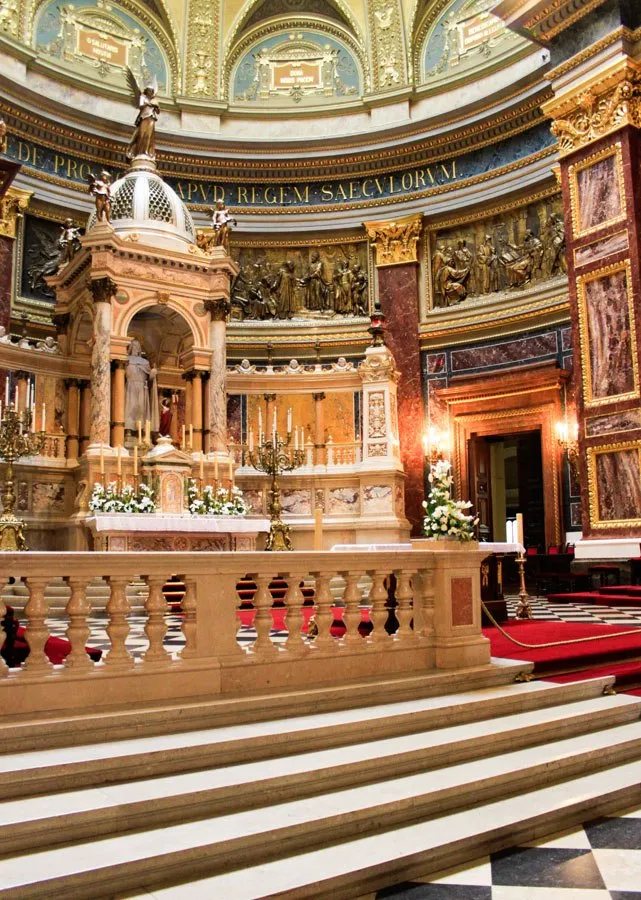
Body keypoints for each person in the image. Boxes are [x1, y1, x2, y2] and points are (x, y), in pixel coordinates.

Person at [124, 338, 159, 434]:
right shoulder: (126, 360)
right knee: (130, 407)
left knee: (141, 409)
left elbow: (150, 378)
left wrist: (153, 372)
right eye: (134, 346)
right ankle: (128, 430)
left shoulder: (145, 362)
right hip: (130, 386)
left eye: (137, 346)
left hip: (142, 387)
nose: (135, 348)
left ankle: (142, 431)